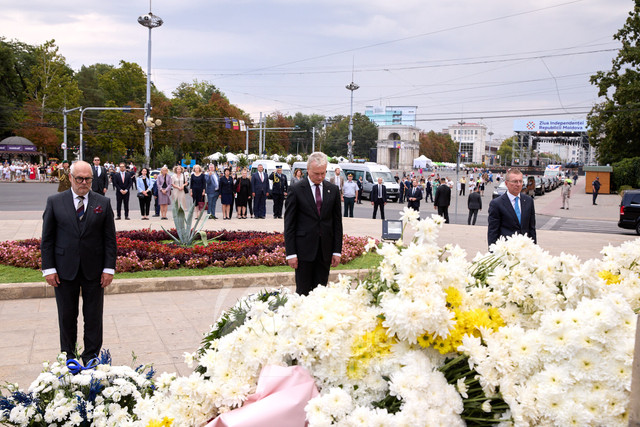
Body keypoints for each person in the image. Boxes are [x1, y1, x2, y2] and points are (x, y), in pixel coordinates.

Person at [41, 160, 117, 365]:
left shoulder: (103, 202)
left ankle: (91, 357)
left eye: (88, 179)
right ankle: (69, 357)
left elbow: (110, 239)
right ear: (70, 178)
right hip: (64, 270)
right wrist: (48, 269)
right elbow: (47, 239)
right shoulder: (55, 202)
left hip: (95, 271)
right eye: (79, 178)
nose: (84, 182)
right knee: (67, 316)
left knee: (93, 316)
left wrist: (109, 268)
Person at [284, 152, 343, 296]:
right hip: (303, 251)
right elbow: (289, 224)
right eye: (316, 173)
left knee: (321, 293)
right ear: (308, 170)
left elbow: (337, 223)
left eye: (323, 173)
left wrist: (336, 251)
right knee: (303, 293)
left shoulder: (333, 190)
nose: (320, 177)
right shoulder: (296, 190)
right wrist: (290, 253)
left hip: (325, 251)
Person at [487, 168, 536, 246]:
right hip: (506, 251)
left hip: (525, 250)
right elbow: (493, 232)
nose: (518, 184)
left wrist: (534, 249)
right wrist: (493, 253)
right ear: (506, 183)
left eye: (520, 181)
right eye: (515, 181)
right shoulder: (496, 204)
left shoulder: (528, 201)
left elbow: (531, 229)